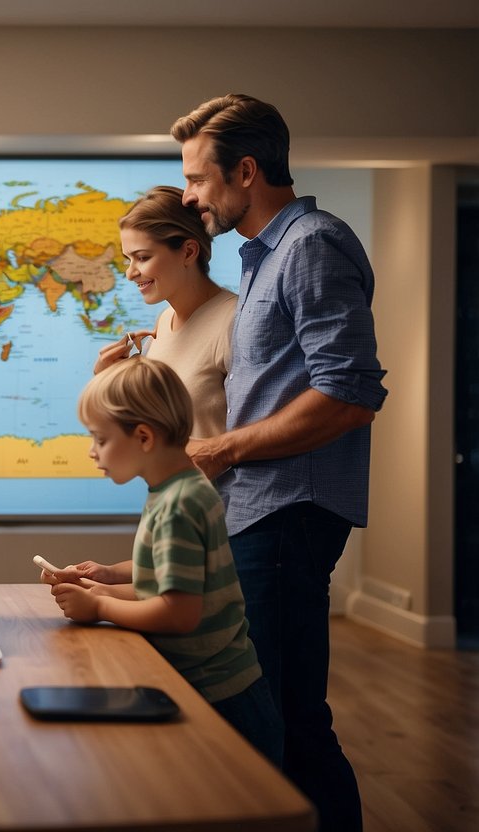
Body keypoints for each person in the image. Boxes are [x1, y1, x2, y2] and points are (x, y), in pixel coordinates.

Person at [171, 93, 387, 831]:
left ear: (246, 171)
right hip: (256, 513)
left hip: (287, 517)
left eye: (198, 179)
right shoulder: (262, 259)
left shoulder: (310, 245)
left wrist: (221, 446)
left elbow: (347, 394)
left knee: (287, 722)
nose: (188, 195)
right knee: (273, 717)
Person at [41, 358, 282, 765]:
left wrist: (101, 605)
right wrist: (105, 577)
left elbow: (179, 612)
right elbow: (171, 573)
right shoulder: (179, 488)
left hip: (222, 700)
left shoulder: (177, 505)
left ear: (144, 438)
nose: (92, 451)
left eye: (100, 439)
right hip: (223, 689)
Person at [94, 185, 237, 439]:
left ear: (189, 252)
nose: (130, 273)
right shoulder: (164, 320)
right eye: (128, 259)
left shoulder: (234, 321)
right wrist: (107, 377)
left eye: (143, 258)